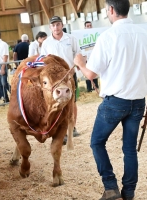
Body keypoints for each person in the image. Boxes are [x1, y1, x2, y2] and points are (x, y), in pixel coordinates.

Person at [74, 1, 147, 199]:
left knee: (97, 142)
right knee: (129, 148)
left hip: (115, 102)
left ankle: (111, 187)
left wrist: (80, 63)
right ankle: (128, 192)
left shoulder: (107, 37)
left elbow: (91, 74)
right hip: (138, 101)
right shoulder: (144, 35)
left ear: (111, 10)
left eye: (106, 10)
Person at [41, 15, 81, 143]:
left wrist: (76, 66)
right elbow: (44, 60)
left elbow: (78, 54)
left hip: (69, 75)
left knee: (71, 102)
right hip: (54, 79)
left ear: (62, 25)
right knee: (56, 103)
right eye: (53, 25)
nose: (56, 27)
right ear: (50, 27)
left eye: (58, 24)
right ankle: (59, 129)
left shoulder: (71, 38)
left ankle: (72, 127)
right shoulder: (46, 43)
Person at [83, 21, 99, 92]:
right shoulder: (83, 36)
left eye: (90, 26)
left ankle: (96, 86)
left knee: (94, 70)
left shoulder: (95, 35)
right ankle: (89, 88)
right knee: (87, 71)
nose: (89, 27)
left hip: (94, 56)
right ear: (85, 27)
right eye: (87, 26)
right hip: (86, 57)